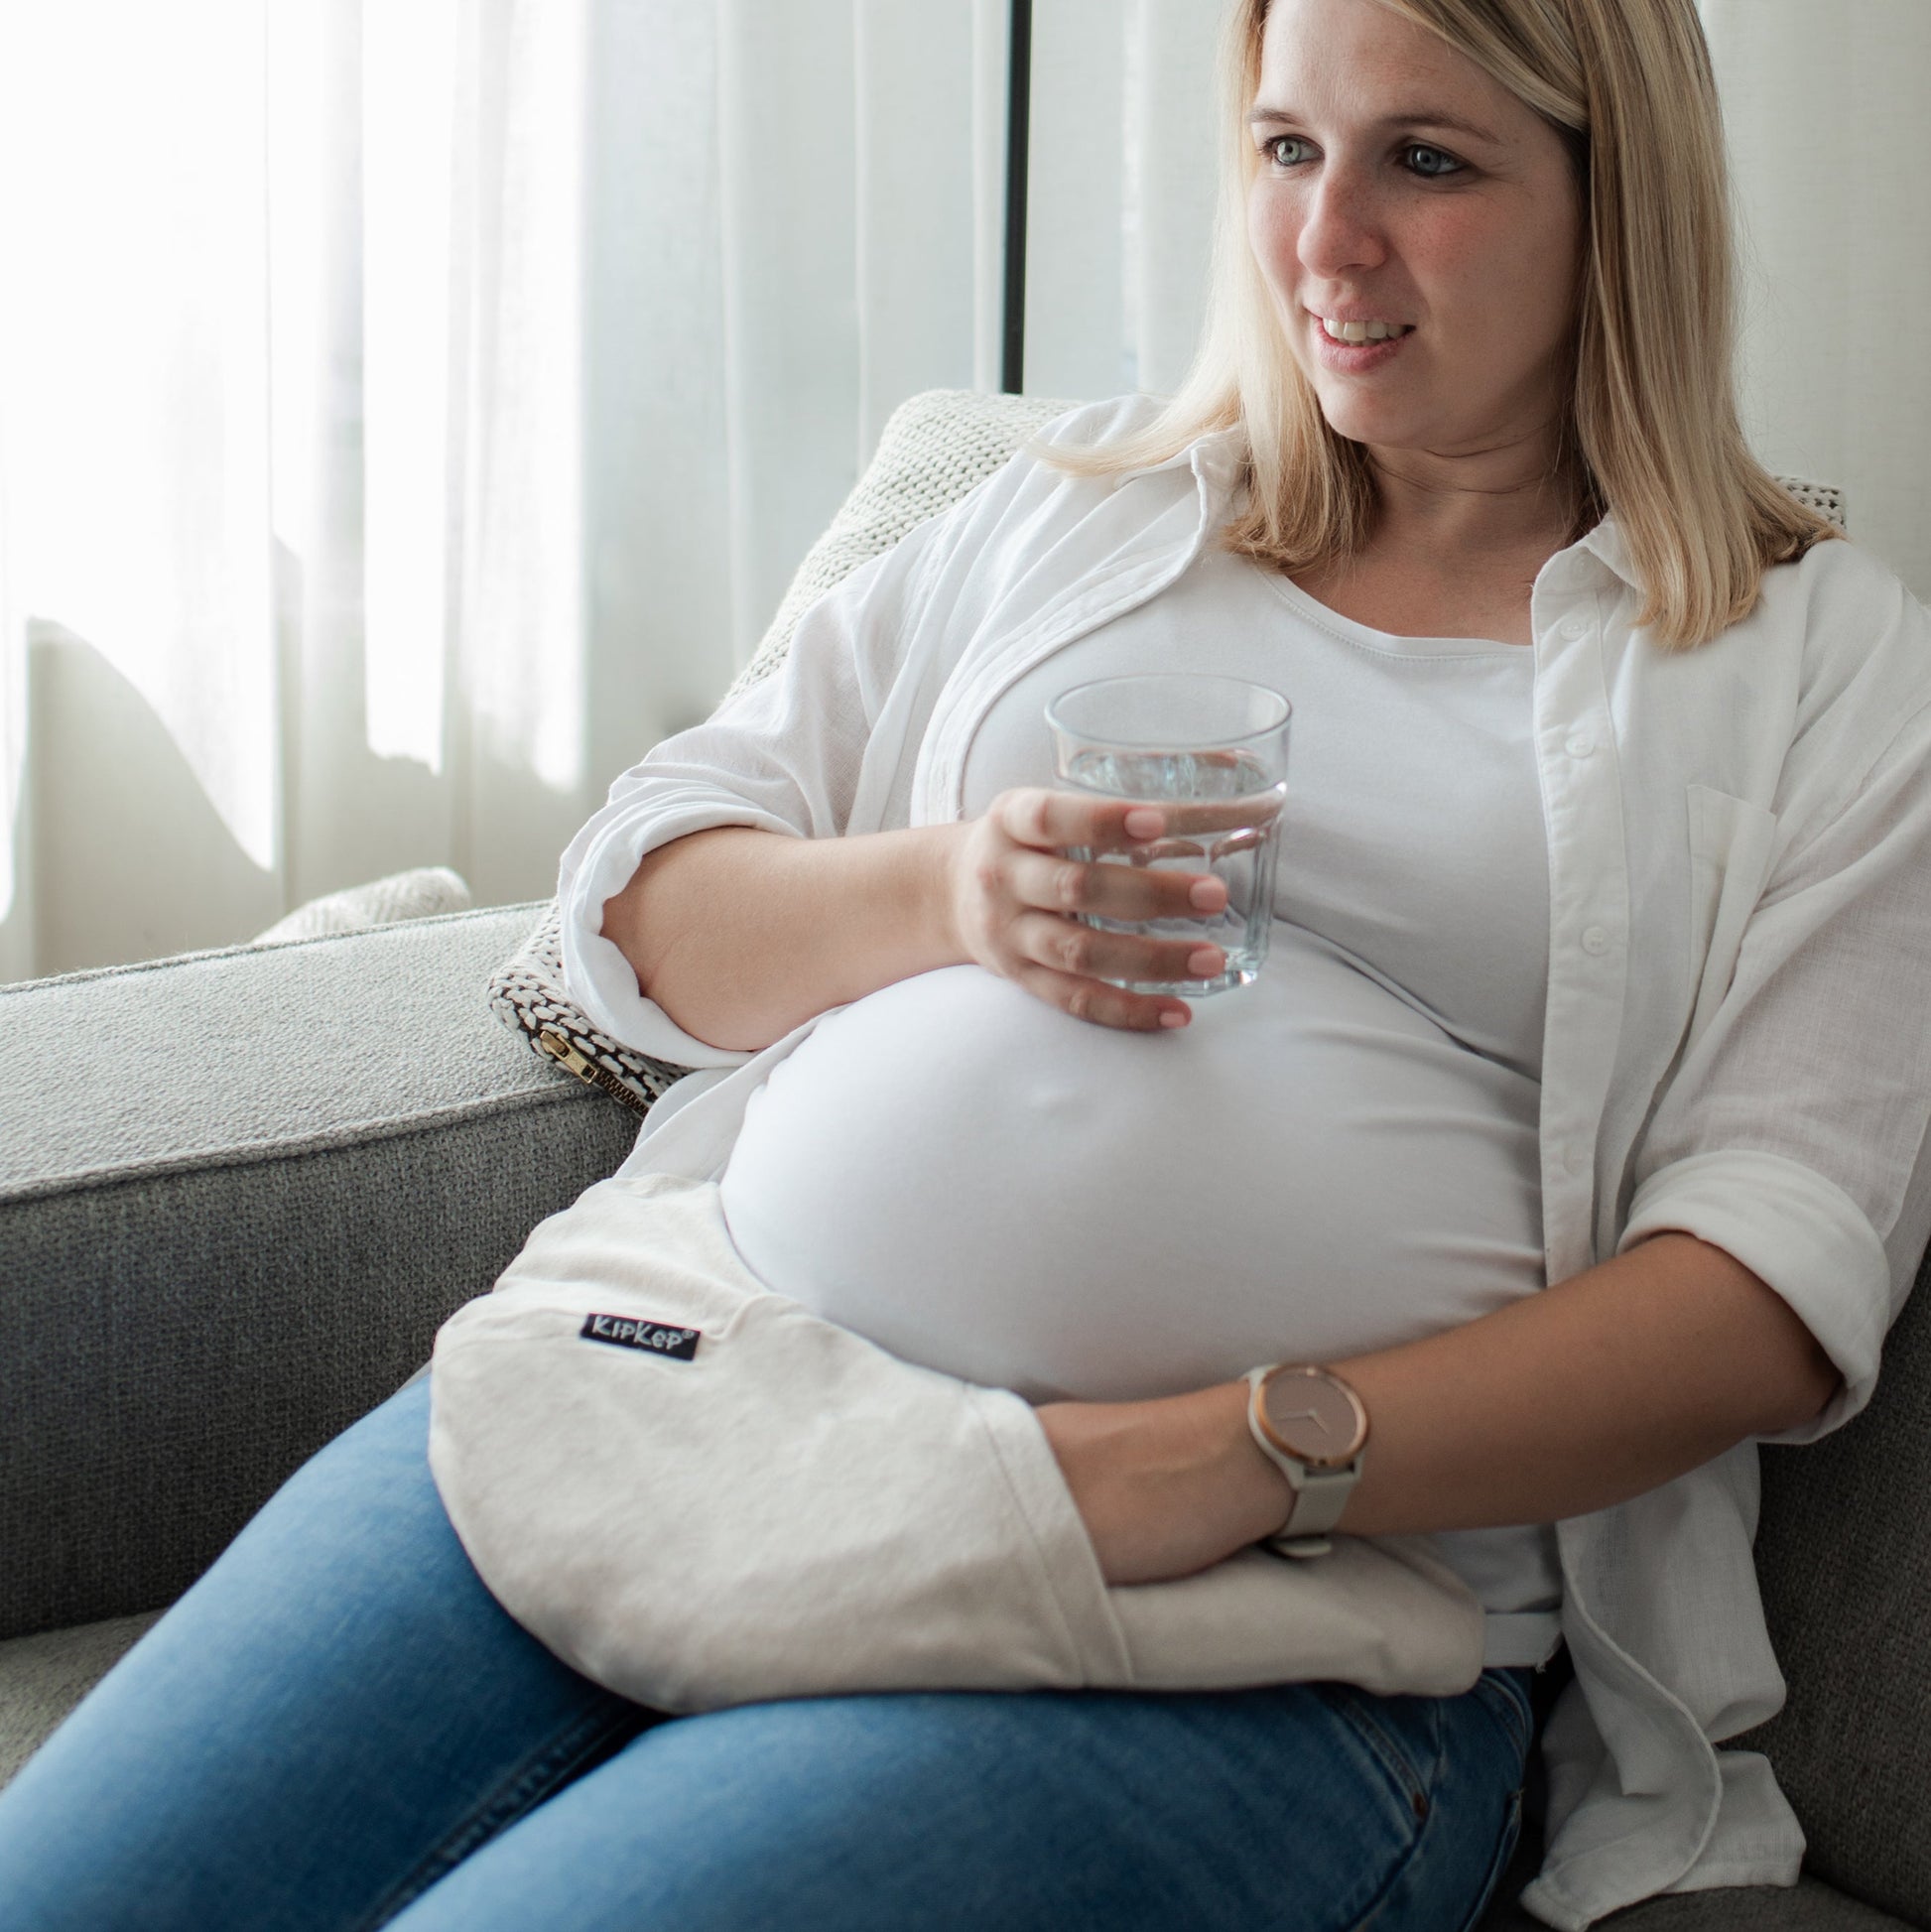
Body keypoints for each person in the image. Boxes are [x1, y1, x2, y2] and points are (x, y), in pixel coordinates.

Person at [3, 0, 1927, 1926]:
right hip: (694, 1383)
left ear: (1619, 200)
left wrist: (1233, 1455)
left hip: (1259, 1614)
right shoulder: (1084, 506)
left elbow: (1766, 1277)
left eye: (1425, 161)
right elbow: (641, 899)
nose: (1323, 239)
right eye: (1283, 147)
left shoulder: (1814, 666)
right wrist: (948, 891)